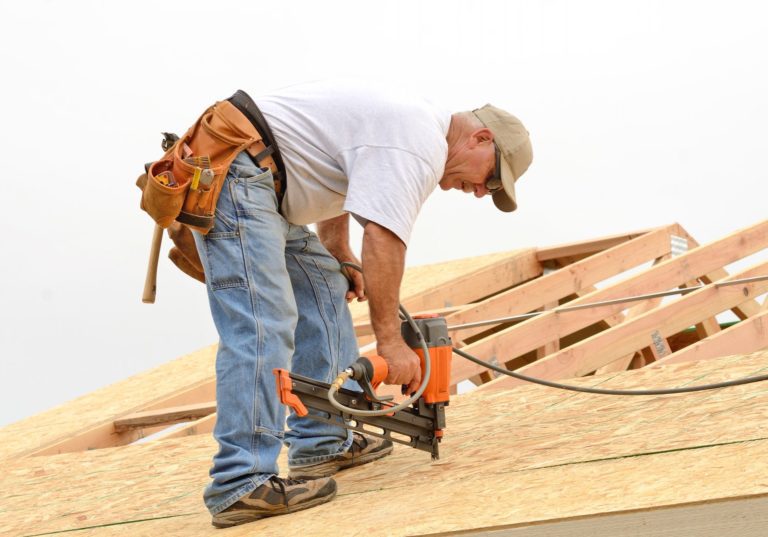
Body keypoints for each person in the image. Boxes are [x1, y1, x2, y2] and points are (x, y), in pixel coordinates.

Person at [189, 79, 533, 528]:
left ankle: (322, 441)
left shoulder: (406, 126)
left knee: (323, 283)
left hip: (263, 177)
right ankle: (240, 481)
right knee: (262, 323)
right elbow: (384, 237)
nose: (481, 192)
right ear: (481, 138)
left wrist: (337, 252)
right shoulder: (418, 142)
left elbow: (340, 180)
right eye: (490, 177)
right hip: (237, 172)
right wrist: (391, 344)